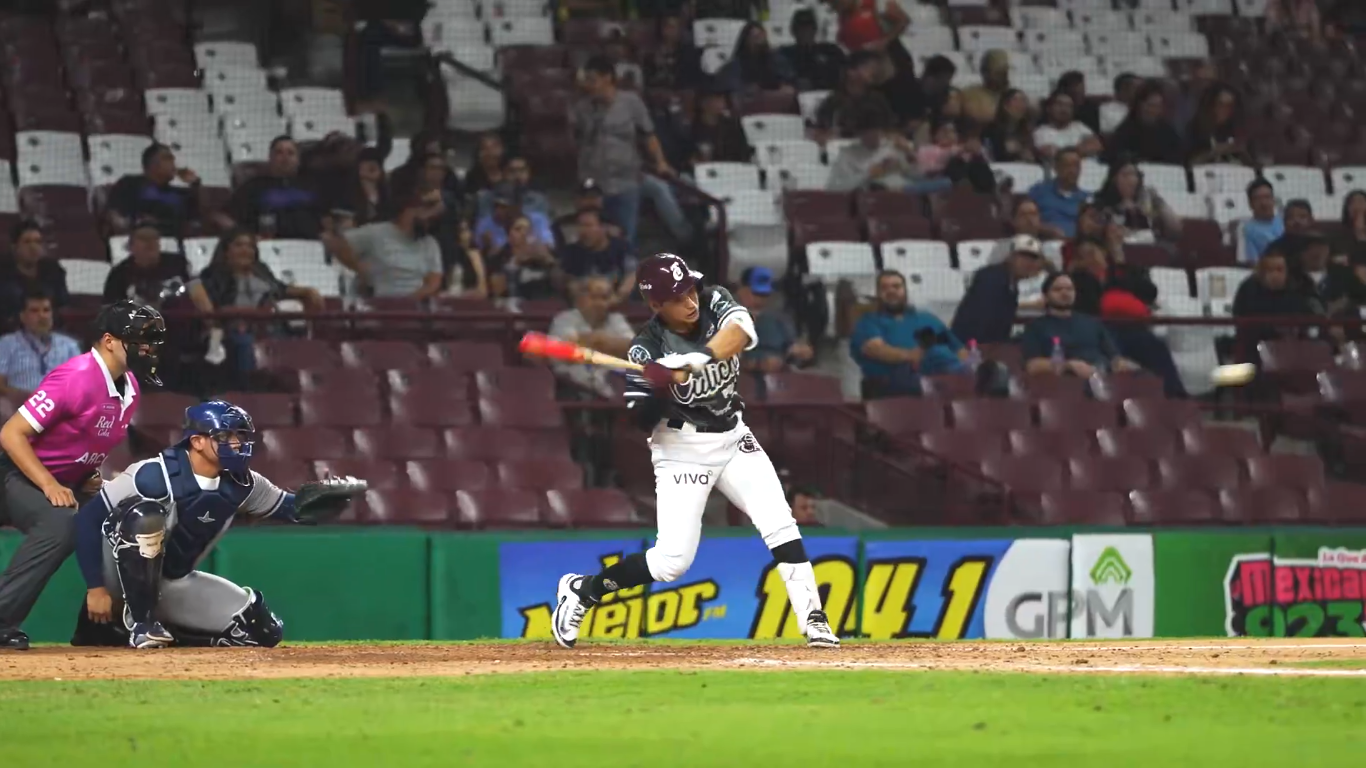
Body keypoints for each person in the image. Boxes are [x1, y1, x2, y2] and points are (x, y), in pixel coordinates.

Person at [549, 253, 839, 649]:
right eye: (677, 297)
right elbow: (639, 419)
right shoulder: (645, 349)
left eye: (689, 290)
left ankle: (814, 619)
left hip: (733, 436)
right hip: (681, 448)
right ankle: (584, 591)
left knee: (779, 522)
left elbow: (741, 331)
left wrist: (696, 358)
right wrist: (660, 388)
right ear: (656, 304)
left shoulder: (714, 299)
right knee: (672, 562)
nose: (690, 301)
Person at [70, 401, 365, 648]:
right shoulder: (152, 474)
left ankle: (147, 633)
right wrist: (96, 588)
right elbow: (88, 519)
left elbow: (292, 510)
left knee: (263, 631)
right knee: (146, 516)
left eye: (239, 435)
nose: (236, 443)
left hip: (171, 581)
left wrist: (327, 502)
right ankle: (140, 624)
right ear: (197, 441)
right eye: (224, 436)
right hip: (117, 580)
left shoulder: (244, 484)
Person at [0, 300, 163, 651]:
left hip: (69, 480)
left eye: (150, 342)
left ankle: (101, 627)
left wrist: (86, 474)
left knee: (131, 517)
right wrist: (49, 484)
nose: (147, 349)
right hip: (15, 473)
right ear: (109, 341)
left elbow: (83, 438)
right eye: (139, 341)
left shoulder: (130, 387)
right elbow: (11, 434)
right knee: (60, 523)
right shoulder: (75, 377)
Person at [572, 56, 691, 247]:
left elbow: (648, 135)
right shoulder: (582, 108)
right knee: (598, 238)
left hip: (626, 180)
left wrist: (660, 161)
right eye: (587, 80)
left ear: (607, 77)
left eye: (593, 80)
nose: (589, 85)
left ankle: (686, 239)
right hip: (595, 182)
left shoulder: (631, 102)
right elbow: (577, 142)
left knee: (625, 237)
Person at [186, 229, 325, 378]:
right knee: (244, 341)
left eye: (250, 246)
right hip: (232, 331)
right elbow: (214, 310)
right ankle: (250, 385)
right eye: (239, 245)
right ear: (226, 251)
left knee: (297, 339)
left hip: (268, 327)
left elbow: (280, 288)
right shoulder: (213, 275)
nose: (245, 250)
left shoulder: (261, 271)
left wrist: (308, 291)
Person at [851, 270, 969, 398]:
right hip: (895, 382)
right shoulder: (869, 321)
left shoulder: (928, 318)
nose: (891, 291)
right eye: (884, 288)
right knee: (934, 355)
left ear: (905, 290)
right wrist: (912, 355)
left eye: (896, 286)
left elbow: (959, 350)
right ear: (878, 294)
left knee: (942, 356)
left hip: (942, 374)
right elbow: (875, 349)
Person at [324, 175, 445, 300]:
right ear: (410, 208)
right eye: (428, 208)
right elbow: (336, 244)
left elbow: (434, 283)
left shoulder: (430, 244)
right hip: (378, 304)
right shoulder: (376, 233)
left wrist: (407, 303)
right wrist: (361, 271)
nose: (432, 219)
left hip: (412, 306)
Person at [1020, 273, 1139, 377]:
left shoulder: (1093, 323)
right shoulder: (1035, 327)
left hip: (1101, 377)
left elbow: (1114, 357)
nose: (1065, 293)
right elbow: (1032, 365)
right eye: (1057, 289)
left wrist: (1122, 364)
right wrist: (1068, 365)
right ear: (1045, 296)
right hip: (1062, 381)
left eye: (1069, 289)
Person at [953, 235, 1052, 345]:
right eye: (1022, 257)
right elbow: (981, 322)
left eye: (1033, 259)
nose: (1028, 263)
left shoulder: (1011, 284)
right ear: (1010, 257)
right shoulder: (992, 278)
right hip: (970, 346)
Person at [219, 136, 325, 239]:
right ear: (270, 158)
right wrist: (245, 237)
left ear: (298, 160)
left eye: (290, 153)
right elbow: (222, 217)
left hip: (310, 245)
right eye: (279, 152)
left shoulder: (312, 186)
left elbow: (328, 218)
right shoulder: (254, 186)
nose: (285, 158)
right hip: (267, 245)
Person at [547, 276, 636, 398]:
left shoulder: (617, 319)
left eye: (604, 298)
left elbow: (633, 348)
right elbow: (567, 352)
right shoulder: (564, 319)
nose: (599, 303)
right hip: (573, 387)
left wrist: (592, 342)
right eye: (593, 297)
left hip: (616, 383)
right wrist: (610, 346)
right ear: (580, 299)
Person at [1232, 247, 1316, 364]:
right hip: (1253, 353)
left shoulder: (1297, 291)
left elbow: (1306, 323)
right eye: (1270, 270)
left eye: (1279, 270)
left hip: (1291, 353)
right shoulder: (1248, 290)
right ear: (1262, 272)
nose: (1275, 275)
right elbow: (1241, 322)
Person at [0, 291, 83, 402]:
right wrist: (21, 396)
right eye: (34, 311)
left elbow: (80, 383)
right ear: (22, 316)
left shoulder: (70, 345)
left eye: (46, 310)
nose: (42, 316)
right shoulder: (7, 343)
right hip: (19, 405)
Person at [104, 143, 201, 237]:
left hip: (170, 242)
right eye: (167, 158)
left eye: (173, 159)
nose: (173, 163)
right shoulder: (129, 184)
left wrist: (195, 184)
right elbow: (113, 215)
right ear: (152, 164)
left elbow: (198, 220)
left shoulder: (180, 194)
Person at [735, 266, 813, 373]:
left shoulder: (778, 319)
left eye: (764, 295)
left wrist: (800, 351)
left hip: (777, 377)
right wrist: (757, 364)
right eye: (755, 293)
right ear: (742, 290)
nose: (760, 300)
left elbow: (795, 347)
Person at [102, 220, 192, 305]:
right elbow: (112, 309)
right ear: (131, 246)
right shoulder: (119, 274)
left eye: (154, 238)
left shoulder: (177, 263)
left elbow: (192, 291)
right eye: (144, 238)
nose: (150, 242)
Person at [557, 208, 637, 303]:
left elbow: (632, 275)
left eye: (588, 226)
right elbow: (569, 283)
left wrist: (618, 297)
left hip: (618, 303)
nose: (583, 231)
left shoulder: (621, 247)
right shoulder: (572, 251)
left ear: (603, 228)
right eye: (580, 226)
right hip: (583, 304)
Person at [0, 221, 69, 330]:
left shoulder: (53, 269)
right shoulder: (3, 272)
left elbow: (62, 303)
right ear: (14, 246)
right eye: (27, 242)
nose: (33, 247)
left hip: (50, 330)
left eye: (38, 242)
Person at [1092, 160, 1182, 243]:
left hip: (1149, 247)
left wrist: (1159, 205)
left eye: (1134, 175)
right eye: (1125, 175)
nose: (1131, 180)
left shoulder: (1149, 199)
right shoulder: (1103, 204)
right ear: (1114, 179)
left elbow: (1174, 229)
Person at [1104, 81, 1183, 165]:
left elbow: (1178, 156)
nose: (1153, 110)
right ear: (1139, 105)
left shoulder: (1168, 131)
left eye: (1158, 106)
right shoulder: (1127, 130)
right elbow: (1110, 155)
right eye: (1150, 105)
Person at [914, 116, 997, 194]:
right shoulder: (925, 150)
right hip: (939, 182)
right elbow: (924, 170)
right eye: (944, 131)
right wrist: (961, 150)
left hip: (967, 180)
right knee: (956, 162)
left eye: (952, 131)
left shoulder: (964, 149)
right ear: (934, 135)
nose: (948, 134)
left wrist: (977, 152)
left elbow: (988, 162)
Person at [487, 215, 559, 300]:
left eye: (528, 230)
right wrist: (515, 263)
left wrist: (548, 259)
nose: (524, 233)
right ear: (509, 235)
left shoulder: (542, 254)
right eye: (518, 229)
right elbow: (497, 291)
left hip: (544, 303)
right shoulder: (499, 257)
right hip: (512, 303)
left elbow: (559, 285)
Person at [778, 9, 846, 92]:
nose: (805, 32)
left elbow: (843, 75)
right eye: (800, 29)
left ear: (815, 29)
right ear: (793, 31)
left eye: (809, 28)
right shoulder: (785, 54)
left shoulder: (831, 51)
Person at [717, 22, 794, 95]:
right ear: (745, 42)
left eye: (760, 37)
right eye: (754, 37)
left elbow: (790, 85)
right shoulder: (732, 69)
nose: (758, 42)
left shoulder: (778, 64)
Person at [474, 185, 556, 254]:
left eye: (504, 207)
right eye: (496, 206)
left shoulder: (538, 220)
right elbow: (477, 254)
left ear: (518, 206)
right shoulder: (484, 224)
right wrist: (486, 247)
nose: (498, 211)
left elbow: (549, 246)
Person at [1028, 149, 1090, 238]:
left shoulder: (1086, 199)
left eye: (1076, 166)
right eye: (1067, 166)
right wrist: (1045, 229)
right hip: (1044, 241)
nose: (1072, 170)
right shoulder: (1039, 191)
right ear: (1056, 168)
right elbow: (1025, 220)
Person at [1186, 84, 1249, 165]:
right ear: (1212, 105)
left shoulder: (1233, 128)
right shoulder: (1196, 129)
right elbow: (1190, 161)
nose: (1226, 109)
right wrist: (1218, 150)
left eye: (1230, 106)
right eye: (1221, 104)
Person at [988, 199, 1065, 265]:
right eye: (1023, 215)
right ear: (1014, 221)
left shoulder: (1050, 248)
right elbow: (991, 273)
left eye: (1033, 214)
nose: (1029, 219)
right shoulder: (1002, 247)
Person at [1033, 92, 1102, 160]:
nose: (1064, 109)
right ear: (1048, 108)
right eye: (1059, 104)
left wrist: (1062, 151)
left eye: (1069, 106)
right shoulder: (1040, 131)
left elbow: (1096, 146)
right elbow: (1048, 153)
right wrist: (1080, 149)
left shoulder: (1079, 126)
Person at [642, 14, 701, 90]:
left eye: (677, 28)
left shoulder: (688, 53)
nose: (674, 31)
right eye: (670, 27)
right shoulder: (651, 53)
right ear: (663, 29)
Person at [1236, 179, 1284, 264]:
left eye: (1267, 197)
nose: (1264, 203)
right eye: (1258, 199)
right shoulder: (1245, 230)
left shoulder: (1285, 221)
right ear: (1250, 204)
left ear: (1273, 200)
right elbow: (1248, 262)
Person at [982, 88, 1036, 163]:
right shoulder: (992, 130)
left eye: (1023, 100)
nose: (1020, 105)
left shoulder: (1027, 131)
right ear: (1005, 105)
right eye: (1016, 100)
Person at [961, 49, 1011, 126]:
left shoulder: (1013, 96)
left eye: (1005, 72)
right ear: (984, 72)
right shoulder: (970, 95)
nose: (1004, 77)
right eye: (998, 73)